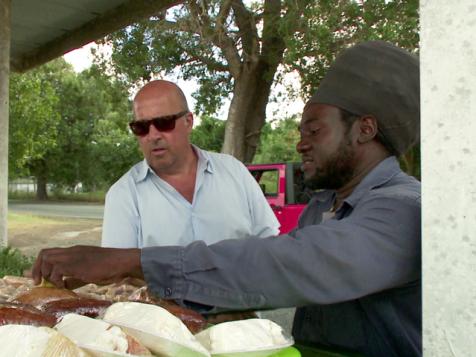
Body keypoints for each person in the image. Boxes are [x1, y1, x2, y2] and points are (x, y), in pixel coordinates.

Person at [33, 41, 421, 357]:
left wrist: (134, 260)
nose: (300, 143)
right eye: (140, 126)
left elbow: (281, 261)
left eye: (314, 130)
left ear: (364, 130)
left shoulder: (403, 209)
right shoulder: (324, 205)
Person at [101, 80, 279, 248]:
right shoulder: (123, 195)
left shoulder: (234, 172)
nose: (153, 135)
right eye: (141, 127)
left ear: (188, 122)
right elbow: (120, 270)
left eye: (164, 123)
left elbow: (269, 245)